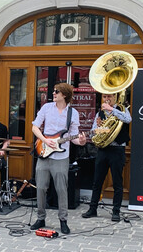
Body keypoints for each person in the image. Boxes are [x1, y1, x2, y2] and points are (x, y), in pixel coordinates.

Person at [31, 83, 86, 234]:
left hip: (61, 156)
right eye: (54, 91)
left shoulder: (72, 113)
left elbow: (72, 136)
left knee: (62, 189)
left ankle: (63, 220)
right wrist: (44, 139)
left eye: (57, 91)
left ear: (65, 95)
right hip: (43, 152)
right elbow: (35, 127)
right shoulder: (47, 108)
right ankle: (40, 217)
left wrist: (80, 141)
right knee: (41, 187)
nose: (53, 93)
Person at [82, 93, 131, 222]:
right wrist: (100, 128)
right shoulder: (99, 114)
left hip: (117, 149)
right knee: (97, 181)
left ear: (115, 97)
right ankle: (92, 209)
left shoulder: (122, 109)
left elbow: (128, 119)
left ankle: (116, 211)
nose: (107, 99)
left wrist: (112, 110)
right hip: (103, 150)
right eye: (104, 97)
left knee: (117, 183)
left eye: (109, 96)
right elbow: (93, 131)